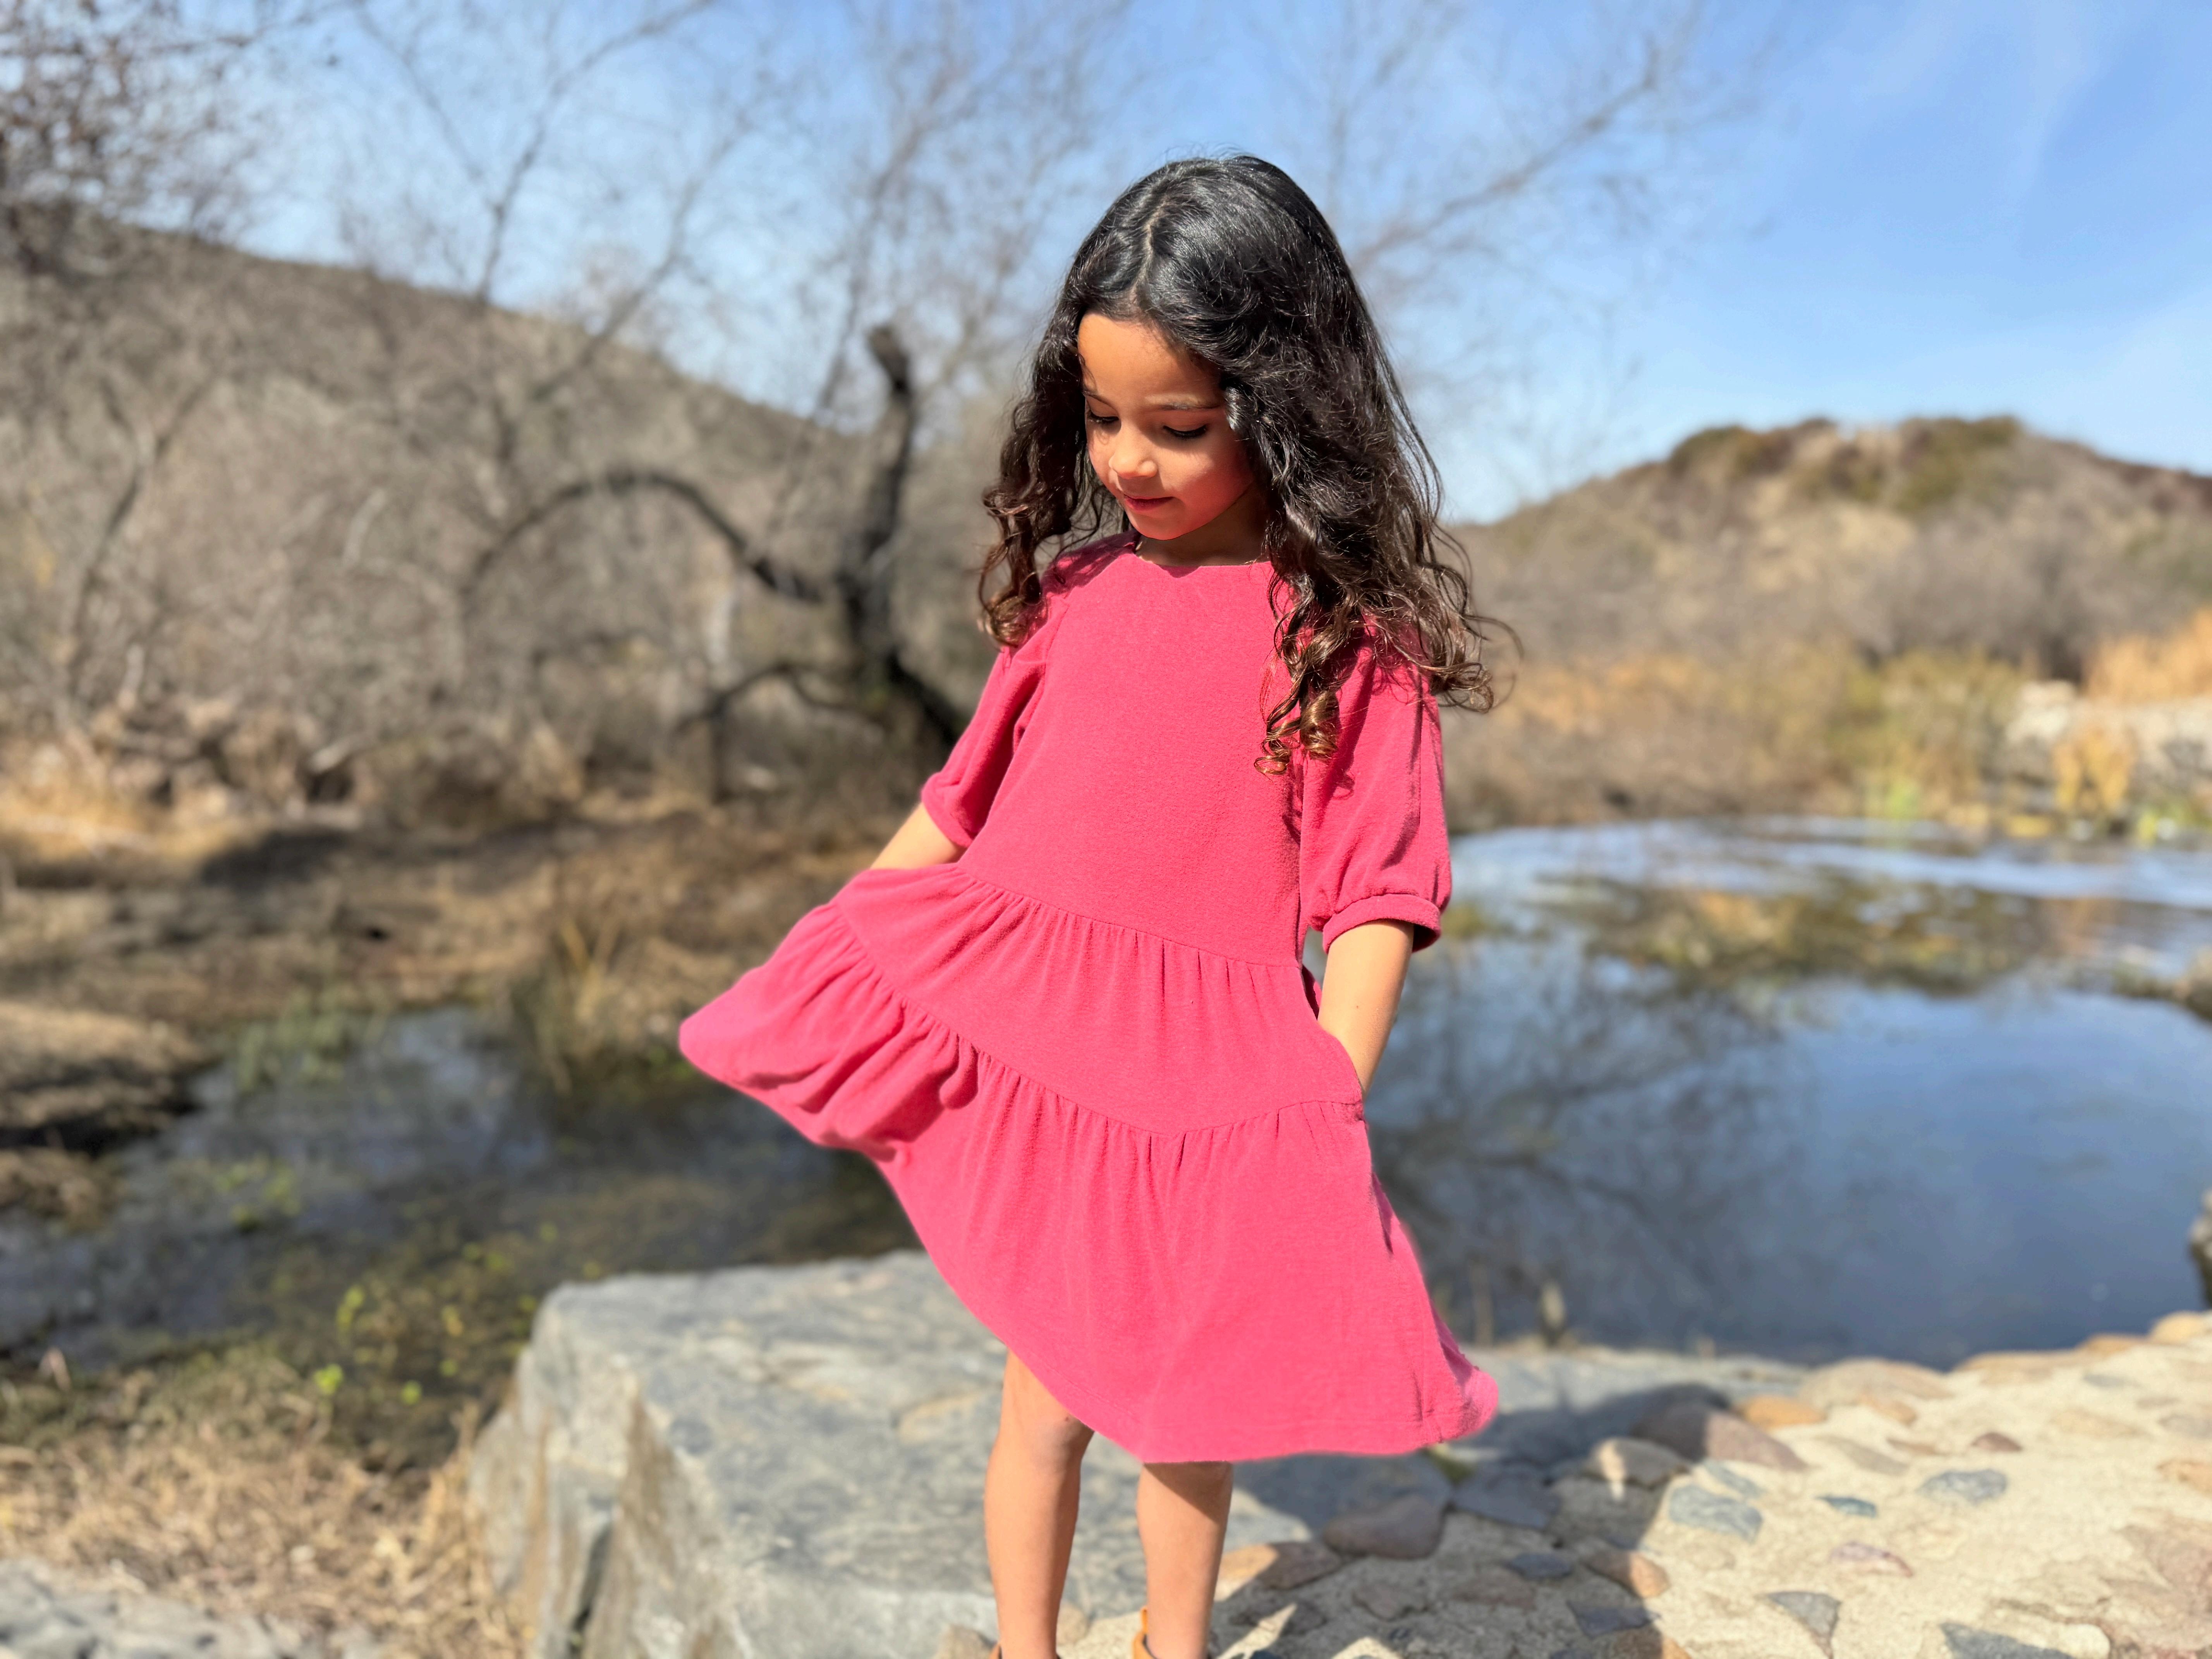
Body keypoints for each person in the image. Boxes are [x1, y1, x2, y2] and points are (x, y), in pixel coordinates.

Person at [679, 154, 1501, 1659]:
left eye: (1179, 427)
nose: (1130, 459)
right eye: (1104, 417)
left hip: (1206, 1088)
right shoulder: (1076, 594)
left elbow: (1376, 897)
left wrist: (1322, 1101)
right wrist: (841, 937)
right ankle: (1028, 1643)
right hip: (1047, 1058)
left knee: (1189, 1418)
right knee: (1042, 1401)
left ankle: (1172, 1645)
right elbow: (960, 803)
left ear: (1284, 406)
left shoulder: (1344, 643)